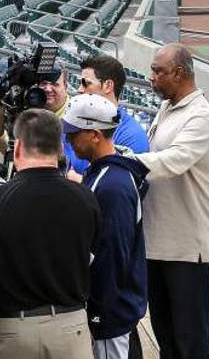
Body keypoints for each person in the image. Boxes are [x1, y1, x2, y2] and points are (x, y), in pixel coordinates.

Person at [0, 108, 100, 359]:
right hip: (71, 330)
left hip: (10, 332)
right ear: (59, 148)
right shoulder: (86, 199)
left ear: (18, 146)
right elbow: (93, 260)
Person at [138, 44, 209, 359]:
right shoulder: (169, 107)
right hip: (158, 243)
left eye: (158, 71)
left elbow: (174, 160)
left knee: (191, 342)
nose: (151, 77)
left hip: (188, 248)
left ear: (180, 74)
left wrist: (126, 162)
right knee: (167, 338)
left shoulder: (202, 116)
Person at [64, 94, 149, 359]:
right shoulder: (105, 172)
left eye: (74, 134)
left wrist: (99, 313)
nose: (68, 140)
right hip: (113, 309)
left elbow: (112, 255)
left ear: (95, 135)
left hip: (111, 315)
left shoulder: (113, 185)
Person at [69, 53, 150, 179]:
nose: (79, 89)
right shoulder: (78, 121)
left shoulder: (131, 135)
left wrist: (76, 181)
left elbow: (121, 186)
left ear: (108, 85)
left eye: (87, 83)